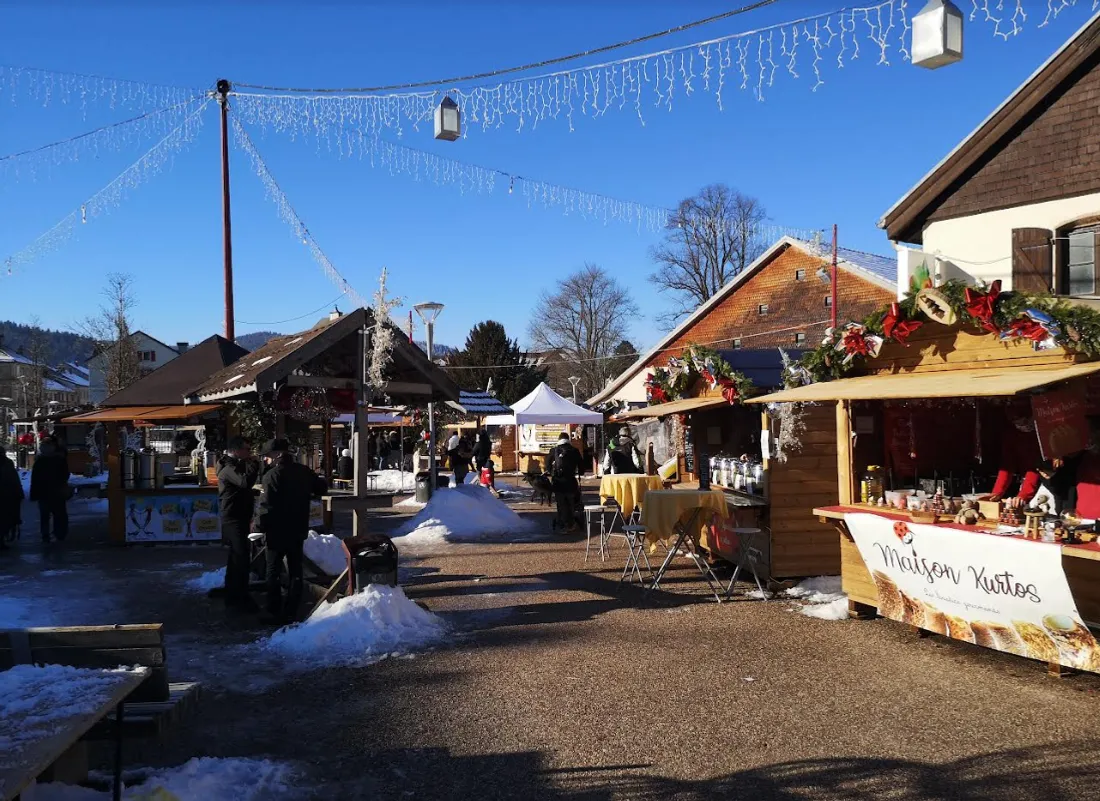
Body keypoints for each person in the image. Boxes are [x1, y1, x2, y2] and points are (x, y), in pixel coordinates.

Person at [255, 438, 327, 624]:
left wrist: (258, 527)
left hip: (276, 530)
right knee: (296, 569)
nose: (265, 460)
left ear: (276, 455)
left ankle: (273, 607)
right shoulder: (303, 472)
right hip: (298, 527)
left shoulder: (271, 476)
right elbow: (322, 487)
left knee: (273, 569)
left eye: (268, 456)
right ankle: (292, 608)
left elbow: (266, 506)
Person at [217, 436, 261, 611]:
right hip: (233, 517)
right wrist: (254, 465)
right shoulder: (227, 467)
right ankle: (240, 597)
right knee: (241, 556)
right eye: (247, 449)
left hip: (239, 515)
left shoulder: (233, 465)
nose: (249, 453)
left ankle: (233, 593)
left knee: (237, 557)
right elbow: (244, 482)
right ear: (236, 450)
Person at [30, 436, 69, 544]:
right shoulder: (60, 459)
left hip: (43, 493)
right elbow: (65, 475)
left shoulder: (40, 461)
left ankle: (45, 534)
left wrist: (34, 494)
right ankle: (60, 534)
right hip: (57, 491)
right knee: (59, 514)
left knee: (44, 515)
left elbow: (35, 478)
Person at [549, 432, 582, 532]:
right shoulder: (574, 450)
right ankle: (571, 524)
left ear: (559, 440)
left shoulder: (554, 450)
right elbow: (581, 465)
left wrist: (552, 473)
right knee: (571, 502)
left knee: (561, 503)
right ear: (568, 439)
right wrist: (580, 472)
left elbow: (547, 465)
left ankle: (562, 523)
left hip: (558, 482)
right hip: (570, 481)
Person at [0, 450, 23, 548]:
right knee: (5, 519)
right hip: (7, 496)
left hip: (6, 495)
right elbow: (14, 479)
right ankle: (1, 539)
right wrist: (19, 493)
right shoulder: (7, 463)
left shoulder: (8, 464)